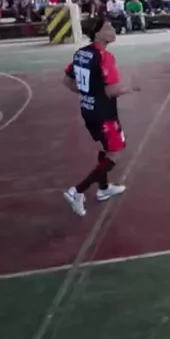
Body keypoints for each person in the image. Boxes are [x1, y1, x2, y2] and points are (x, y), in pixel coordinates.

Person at [62, 17, 132, 217]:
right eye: (108, 28)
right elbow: (111, 90)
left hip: (88, 109)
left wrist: (88, 94)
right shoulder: (104, 56)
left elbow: (67, 81)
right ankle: (77, 191)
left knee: (106, 148)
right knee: (114, 153)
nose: (113, 30)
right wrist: (130, 88)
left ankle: (103, 188)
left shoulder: (81, 53)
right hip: (104, 113)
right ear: (98, 34)